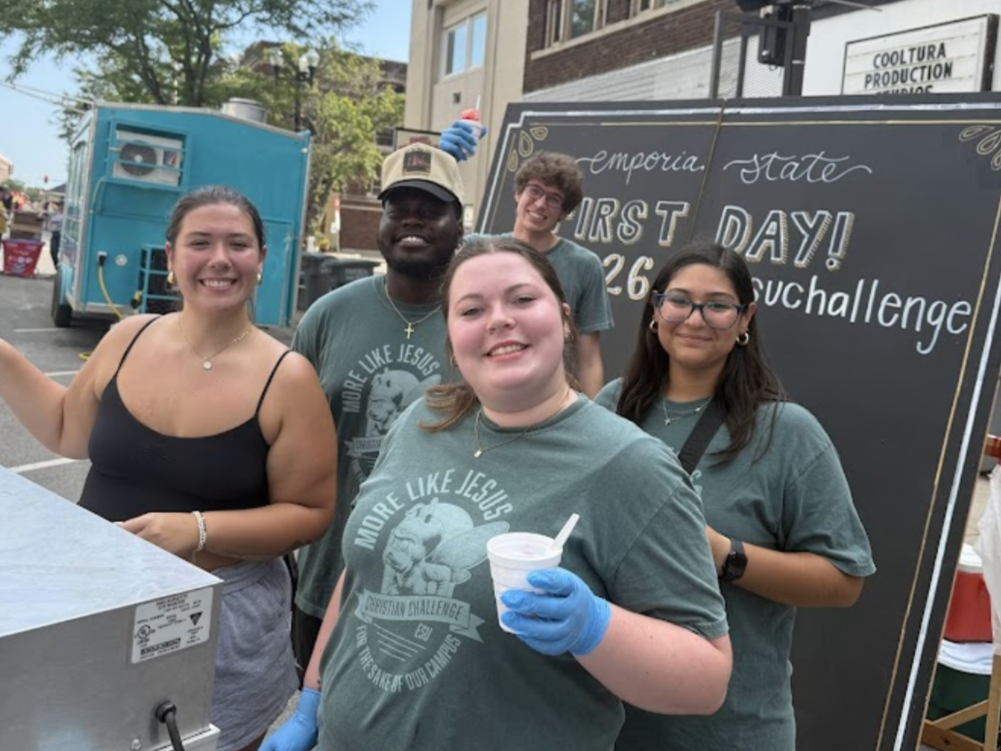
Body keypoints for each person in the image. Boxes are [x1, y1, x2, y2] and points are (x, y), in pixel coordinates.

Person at [262, 237, 731, 751]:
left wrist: (594, 628)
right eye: (471, 310)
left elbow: (708, 680)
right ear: (451, 337)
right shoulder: (419, 420)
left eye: (523, 299)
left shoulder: (633, 467)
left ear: (566, 319)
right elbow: (361, 576)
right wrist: (313, 698)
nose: (499, 320)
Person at [0, 185, 338, 751]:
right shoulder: (127, 338)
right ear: (171, 256)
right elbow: (65, 430)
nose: (219, 259)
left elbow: (311, 513)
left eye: (238, 244)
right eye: (200, 242)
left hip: (219, 620)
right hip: (95, 597)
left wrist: (197, 529)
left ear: (261, 259)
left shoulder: (287, 378)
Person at [595, 241, 875, 751]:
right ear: (655, 309)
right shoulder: (611, 407)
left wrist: (724, 553)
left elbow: (843, 580)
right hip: (605, 719)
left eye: (718, 306)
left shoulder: (786, 432)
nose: (695, 319)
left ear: (745, 318)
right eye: (679, 300)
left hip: (725, 729)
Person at [289, 143, 465, 678]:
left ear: (460, 225)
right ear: (382, 222)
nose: (412, 219)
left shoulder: (480, 320)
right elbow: (286, 440)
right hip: (325, 572)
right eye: (398, 207)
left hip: (431, 584)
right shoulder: (328, 316)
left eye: (430, 209)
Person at [440, 123, 613, 398]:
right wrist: (443, 162)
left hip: (552, 399)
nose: (541, 204)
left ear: (563, 213)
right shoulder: (474, 250)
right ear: (518, 193)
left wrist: (595, 413)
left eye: (554, 199)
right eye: (534, 191)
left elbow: (589, 357)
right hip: (478, 392)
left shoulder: (584, 265)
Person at [46, 200, 63, 267]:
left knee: (58, 251)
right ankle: (56, 265)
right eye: (59, 206)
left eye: (61, 206)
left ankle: (58, 266)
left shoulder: (64, 215)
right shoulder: (54, 213)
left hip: (60, 233)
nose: (59, 207)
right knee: (52, 251)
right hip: (54, 233)